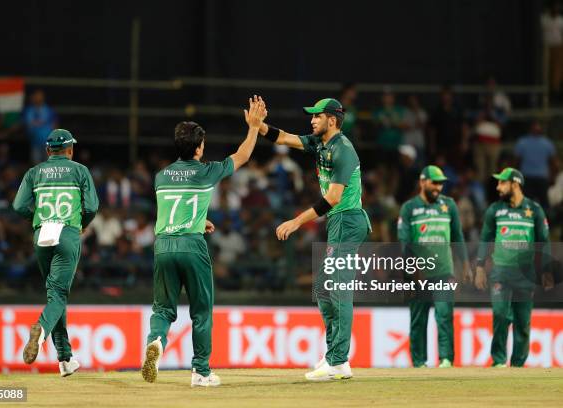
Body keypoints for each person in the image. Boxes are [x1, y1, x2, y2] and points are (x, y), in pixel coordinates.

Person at [141, 96, 267, 387]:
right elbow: (243, 156)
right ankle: (200, 372)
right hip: (191, 246)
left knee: (162, 309)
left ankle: (156, 342)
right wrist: (253, 126)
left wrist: (200, 218)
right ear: (199, 148)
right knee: (201, 311)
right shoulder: (207, 171)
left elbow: (173, 205)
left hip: (163, 245)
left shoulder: (161, 176)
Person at [256, 98, 371, 381]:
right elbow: (284, 138)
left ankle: (339, 360)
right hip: (338, 222)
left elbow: (333, 198)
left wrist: (296, 221)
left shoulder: (343, 150)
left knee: (337, 287)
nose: (311, 121)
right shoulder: (320, 143)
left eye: (317, 116)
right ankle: (335, 356)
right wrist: (259, 126)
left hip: (348, 219)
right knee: (322, 286)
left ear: (332, 120)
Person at [12, 129, 99, 377]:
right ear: (70, 150)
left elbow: (18, 205)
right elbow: (92, 205)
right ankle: (40, 330)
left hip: (43, 234)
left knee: (55, 295)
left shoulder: (34, 172)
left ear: (48, 151)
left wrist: (36, 218)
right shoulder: (80, 170)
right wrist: (83, 222)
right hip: (67, 233)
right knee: (59, 295)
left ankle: (64, 360)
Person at [475, 168, 554, 367]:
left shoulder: (534, 210)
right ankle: (499, 361)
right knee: (500, 314)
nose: (497, 186)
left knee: (522, 322)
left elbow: (543, 241)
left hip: (525, 274)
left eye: (502, 182)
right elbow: (485, 239)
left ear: (515, 184)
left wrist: (546, 270)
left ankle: (518, 365)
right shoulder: (495, 209)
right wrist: (480, 267)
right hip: (500, 271)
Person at [397, 165, 471, 368]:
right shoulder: (410, 208)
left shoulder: (449, 205)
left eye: (441, 183)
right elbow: (404, 242)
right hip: (418, 273)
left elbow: (457, 236)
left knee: (444, 314)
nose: (438, 187)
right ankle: (419, 362)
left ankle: (446, 359)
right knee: (418, 319)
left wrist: (465, 264)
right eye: (435, 182)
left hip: (443, 271)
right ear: (422, 182)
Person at [514, 121, 556, 209]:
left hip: (534, 177)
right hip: (534, 177)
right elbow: (553, 163)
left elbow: (517, 162)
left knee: (535, 202)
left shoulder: (523, 142)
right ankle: (544, 220)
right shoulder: (547, 143)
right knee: (541, 202)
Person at [23, 89, 58, 164]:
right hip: (35, 142)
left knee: (49, 166)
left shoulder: (49, 110)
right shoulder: (29, 110)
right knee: (36, 165)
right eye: (36, 96)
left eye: (39, 96)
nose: (37, 98)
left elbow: (55, 125)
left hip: (48, 143)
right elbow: (27, 124)